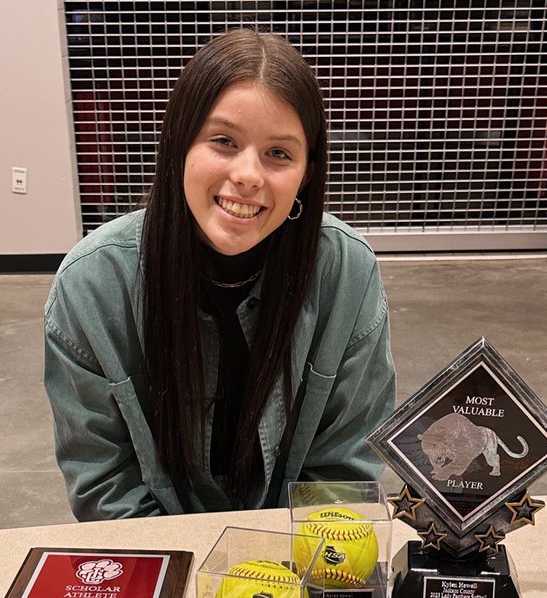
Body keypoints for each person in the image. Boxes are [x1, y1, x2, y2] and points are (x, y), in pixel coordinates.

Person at [44, 27, 396, 520]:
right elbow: (105, 487)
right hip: (162, 556)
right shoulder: (92, 285)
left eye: (279, 153)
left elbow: (343, 470)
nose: (248, 175)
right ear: (180, 142)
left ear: (306, 173)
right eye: (224, 141)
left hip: (297, 562)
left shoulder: (346, 273)